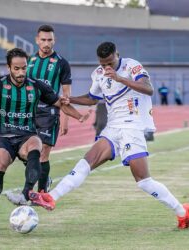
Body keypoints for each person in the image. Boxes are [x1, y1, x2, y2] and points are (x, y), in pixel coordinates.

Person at [29, 42, 189, 229]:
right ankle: (51, 197)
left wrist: (120, 78)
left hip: (132, 127)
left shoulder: (132, 66)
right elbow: (92, 98)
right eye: (103, 64)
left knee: (144, 181)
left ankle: (182, 213)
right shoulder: (98, 74)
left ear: (117, 55)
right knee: (86, 162)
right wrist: (69, 99)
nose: (106, 67)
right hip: (113, 127)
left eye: (110, 63)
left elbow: (148, 88)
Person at [0, 48, 91, 231]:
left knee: (37, 145)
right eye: (17, 68)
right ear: (9, 67)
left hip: (27, 135)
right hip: (4, 135)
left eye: (24, 68)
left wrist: (78, 116)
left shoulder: (36, 86)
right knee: (0, 161)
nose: (21, 73)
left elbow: (60, 103)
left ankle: (26, 194)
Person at [25, 24, 72, 193]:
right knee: (27, 153)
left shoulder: (61, 63)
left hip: (49, 113)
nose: (46, 43)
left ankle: (40, 192)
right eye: (43, 40)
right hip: (29, 113)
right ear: (37, 40)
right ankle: (44, 179)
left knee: (44, 152)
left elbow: (66, 95)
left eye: (49, 40)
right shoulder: (29, 61)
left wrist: (66, 120)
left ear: (54, 40)